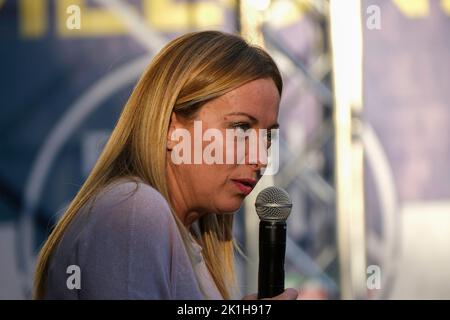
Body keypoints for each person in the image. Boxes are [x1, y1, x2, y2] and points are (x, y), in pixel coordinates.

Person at [33, 30, 299, 300]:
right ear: (172, 128)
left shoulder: (179, 229)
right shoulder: (134, 210)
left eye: (267, 136)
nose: (261, 159)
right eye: (240, 128)